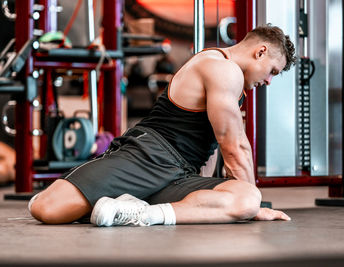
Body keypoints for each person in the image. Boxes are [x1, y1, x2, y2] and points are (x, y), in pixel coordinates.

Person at [29, 24, 296, 226]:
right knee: (46, 209)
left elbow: (210, 146)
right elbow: (235, 146)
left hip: (179, 173)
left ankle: (142, 213)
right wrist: (256, 207)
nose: (269, 81)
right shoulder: (224, 70)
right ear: (260, 51)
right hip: (149, 156)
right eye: (272, 71)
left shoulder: (230, 78)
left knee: (245, 199)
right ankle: (112, 194)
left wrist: (248, 204)